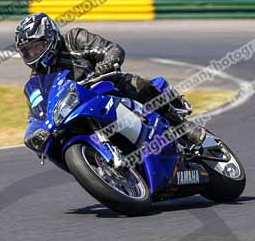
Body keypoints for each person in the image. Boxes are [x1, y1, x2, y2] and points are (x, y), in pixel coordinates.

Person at [14, 12, 206, 150]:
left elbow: (112, 49)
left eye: (36, 47)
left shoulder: (74, 39)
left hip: (105, 87)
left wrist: (107, 63)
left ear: (50, 37)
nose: (33, 54)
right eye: (27, 51)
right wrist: (36, 128)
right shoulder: (37, 80)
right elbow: (37, 112)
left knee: (135, 84)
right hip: (78, 111)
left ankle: (182, 126)